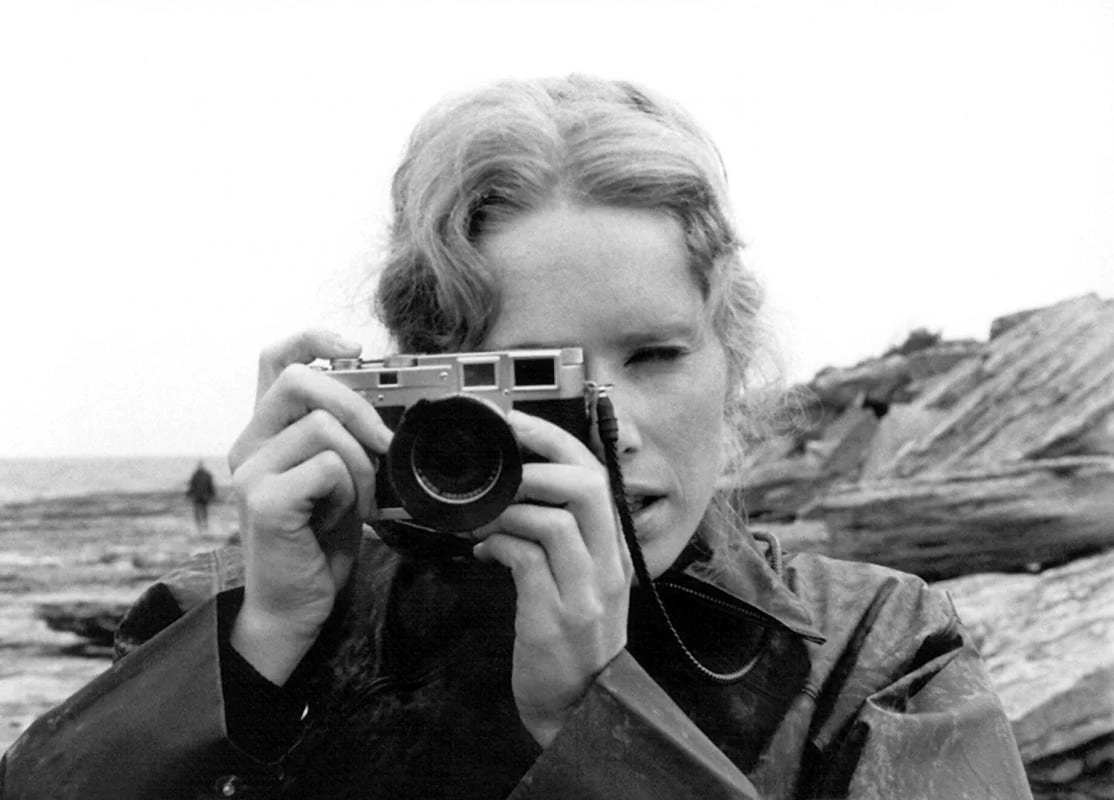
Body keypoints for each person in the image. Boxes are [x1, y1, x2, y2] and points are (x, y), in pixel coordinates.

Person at [0, 75, 1032, 799]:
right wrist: (260, 644)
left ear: (732, 360)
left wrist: (600, 723)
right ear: (430, 389)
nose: (611, 430)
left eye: (656, 355)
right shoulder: (238, 622)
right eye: (541, 379)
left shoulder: (872, 652)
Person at [186, 460, 217, 533]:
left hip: (200, 496)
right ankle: (202, 525)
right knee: (201, 510)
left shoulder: (198, 475)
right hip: (202, 496)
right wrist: (212, 494)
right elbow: (192, 486)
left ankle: (202, 525)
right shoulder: (201, 475)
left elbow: (210, 486)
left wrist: (189, 494)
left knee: (201, 510)